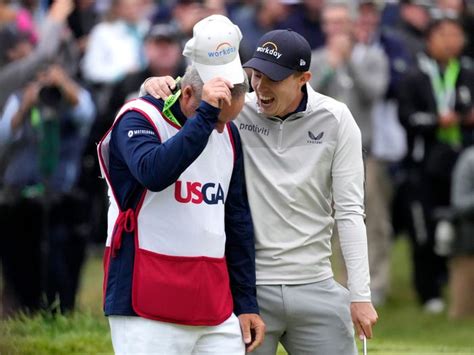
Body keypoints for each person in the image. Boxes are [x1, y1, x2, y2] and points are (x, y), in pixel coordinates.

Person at [142, 28, 378, 355]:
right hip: (248, 291)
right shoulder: (238, 110)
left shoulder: (336, 118)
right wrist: (156, 88)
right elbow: (186, 110)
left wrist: (360, 295)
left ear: (303, 78)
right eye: (256, 75)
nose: (260, 87)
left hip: (316, 284)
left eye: (274, 79)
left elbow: (350, 212)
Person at [98, 15, 264, 354]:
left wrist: (246, 301)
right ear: (188, 93)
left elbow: (237, 220)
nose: (220, 131)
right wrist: (205, 116)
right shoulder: (138, 117)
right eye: (217, 120)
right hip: (144, 301)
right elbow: (154, 173)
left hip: (213, 304)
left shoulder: (226, 130)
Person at [0, 63, 96, 315]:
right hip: (21, 193)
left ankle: (60, 312)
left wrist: (65, 87)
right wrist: (26, 104)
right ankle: (21, 309)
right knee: (20, 262)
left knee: (60, 262)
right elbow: (3, 137)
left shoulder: (75, 97)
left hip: (62, 195)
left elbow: (87, 115)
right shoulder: (21, 97)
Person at [397, 15, 474, 313]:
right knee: (424, 230)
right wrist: (436, 121)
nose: (453, 41)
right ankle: (427, 291)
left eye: (458, 35)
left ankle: (454, 288)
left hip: (462, 162)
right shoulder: (416, 74)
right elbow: (407, 117)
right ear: (430, 39)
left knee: (457, 225)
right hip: (424, 164)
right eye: (446, 35)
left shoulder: (467, 72)